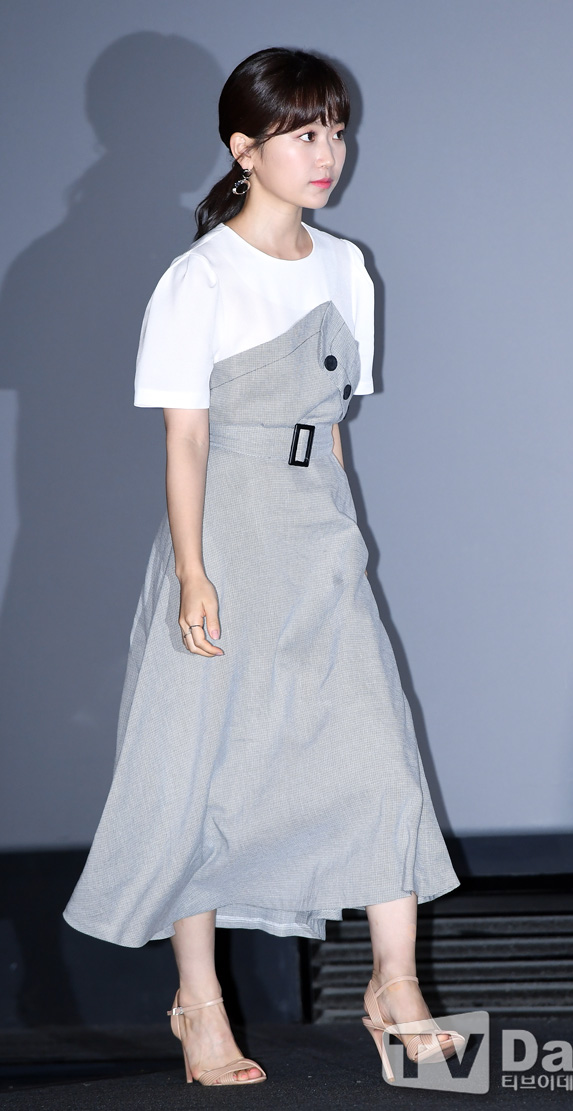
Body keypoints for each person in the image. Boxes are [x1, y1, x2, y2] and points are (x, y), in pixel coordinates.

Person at [63, 46, 463, 1087]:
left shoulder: (346, 267)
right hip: (225, 534)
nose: (327, 152)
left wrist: (344, 535)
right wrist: (194, 573)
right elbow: (185, 440)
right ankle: (199, 1003)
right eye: (302, 133)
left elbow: (329, 429)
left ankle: (395, 985)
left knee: (379, 756)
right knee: (201, 769)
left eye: (336, 129)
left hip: (317, 533)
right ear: (244, 149)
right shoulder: (197, 277)